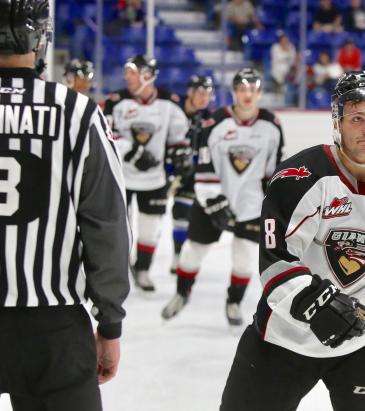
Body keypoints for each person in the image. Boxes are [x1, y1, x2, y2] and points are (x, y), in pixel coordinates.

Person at [0, 1, 131, 410]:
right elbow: (106, 224)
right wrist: (109, 320)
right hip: (51, 330)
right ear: (40, 37)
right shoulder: (78, 114)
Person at [220, 70, 365, 411]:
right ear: (337, 121)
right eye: (358, 118)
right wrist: (315, 303)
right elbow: (276, 259)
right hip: (285, 335)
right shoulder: (299, 176)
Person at [161, 68, 284, 325]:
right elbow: (203, 168)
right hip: (213, 199)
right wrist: (212, 200)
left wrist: (272, 202)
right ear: (234, 92)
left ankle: (234, 302)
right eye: (242, 89)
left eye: (252, 89)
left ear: (260, 93)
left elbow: (273, 171)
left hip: (251, 204)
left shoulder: (272, 125)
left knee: (244, 257)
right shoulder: (214, 122)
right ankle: (182, 293)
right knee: (192, 252)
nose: (247, 94)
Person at [104, 55, 189, 292]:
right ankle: (118, 270)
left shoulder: (169, 103)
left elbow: (179, 137)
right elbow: (106, 132)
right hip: (121, 176)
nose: (126, 78)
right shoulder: (116, 101)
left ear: (147, 75)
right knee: (119, 226)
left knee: (150, 228)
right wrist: (131, 152)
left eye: (131, 72)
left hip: (155, 179)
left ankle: (142, 270)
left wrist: (179, 155)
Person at [170, 74, 215, 273]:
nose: (204, 98)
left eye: (208, 94)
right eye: (201, 93)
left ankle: (177, 256)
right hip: (161, 168)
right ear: (190, 92)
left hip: (188, 173)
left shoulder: (208, 119)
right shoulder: (173, 110)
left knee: (182, 213)